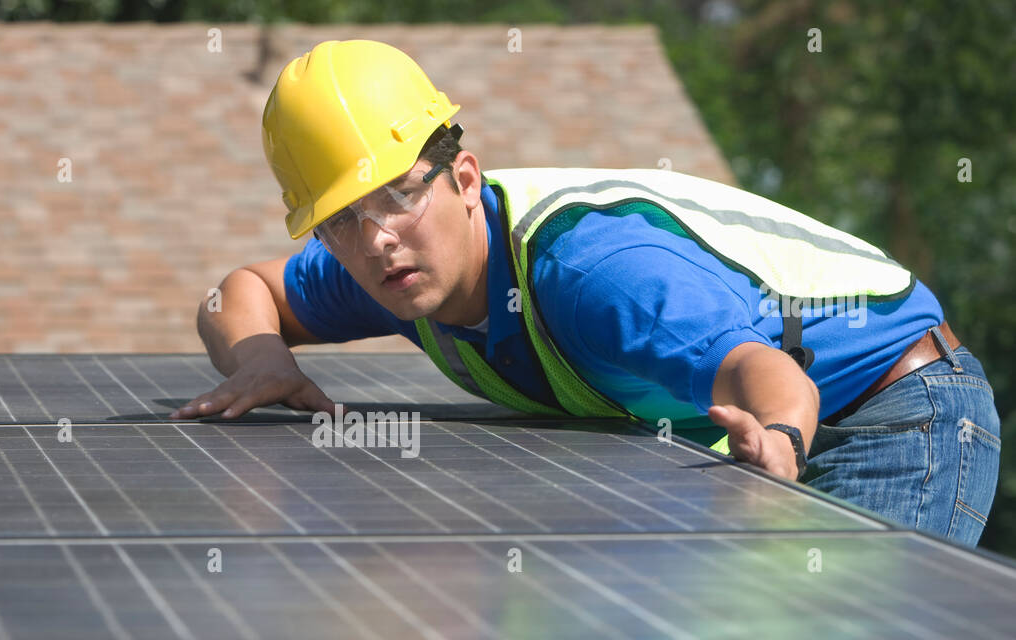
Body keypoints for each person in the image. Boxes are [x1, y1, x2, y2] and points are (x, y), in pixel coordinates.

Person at [175, 39, 1001, 547]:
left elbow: (770, 377)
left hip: (894, 408)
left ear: (465, 177)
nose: (377, 235)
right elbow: (237, 290)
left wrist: (779, 442)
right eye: (340, 222)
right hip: (778, 421)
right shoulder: (387, 269)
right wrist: (258, 359)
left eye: (398, 193)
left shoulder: (592, 278)